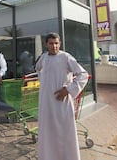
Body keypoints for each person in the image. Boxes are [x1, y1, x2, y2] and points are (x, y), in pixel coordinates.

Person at [35, 32, 89, 160]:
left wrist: (68, 89)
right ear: (46, 44)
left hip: (61, 103)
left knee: (63, 132)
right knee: (47, 132)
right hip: (46, 103)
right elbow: (38, 69)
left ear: (60, 44)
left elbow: (83, 75)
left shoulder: (66, 57)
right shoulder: (43, 58)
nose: (54, 46)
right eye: (51, 43)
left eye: (56, 43)